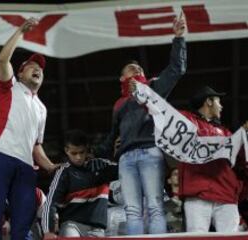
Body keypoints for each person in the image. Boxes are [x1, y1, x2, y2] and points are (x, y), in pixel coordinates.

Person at [94, 14, 187, 234]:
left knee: (155, 206)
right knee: (132, 209)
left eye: (140, 68)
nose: (137, 69)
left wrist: (179, 38)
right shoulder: (118, 104)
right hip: (125, 158)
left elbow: (176, 70)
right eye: (131, 68)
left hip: (150, 152)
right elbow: (111, 136)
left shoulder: (153, 88)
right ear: (121, 78)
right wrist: (95, 157)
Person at [0, 17, 57, 240]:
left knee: (22, 223)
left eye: (41, 69)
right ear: (20, 73)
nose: (38, 70)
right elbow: (3, 58)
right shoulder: (10, 87)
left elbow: (36, 146)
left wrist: (51, 167)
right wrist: (21, 31)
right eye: (32, 67)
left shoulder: (42, 108)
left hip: (25, 166)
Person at [177, 86, 248, 232]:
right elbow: (161, 112)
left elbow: (240, 163)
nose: (221, 107)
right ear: (209, 101)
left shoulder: (227, 133)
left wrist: (244, 136)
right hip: (198, 194)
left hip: (226, 195)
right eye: (219, 102)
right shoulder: (187, 121)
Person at [42, 129, 118, 239]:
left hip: (97, 229)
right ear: (66, 150)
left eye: (81, 152)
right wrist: (48, 231)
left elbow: (126, 170)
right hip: (71, 226)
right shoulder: (64, 172)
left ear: (87, 149)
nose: (78, 157)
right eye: (74, 153)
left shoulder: (102, 166)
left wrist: (119, 152)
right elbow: (50, 203)